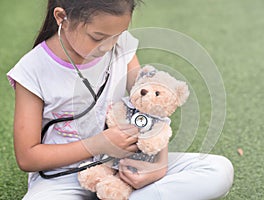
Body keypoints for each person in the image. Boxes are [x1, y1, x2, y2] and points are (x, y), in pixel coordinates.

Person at [7, 0, 234, 199]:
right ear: (62, 18)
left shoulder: (121, 46)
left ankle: (118, 195)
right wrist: (97, 145)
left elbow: (150, 109)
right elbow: (27, 157)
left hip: (123, 169)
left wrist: (158, 165)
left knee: (219, 171)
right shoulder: (33, 71)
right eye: (97, 37)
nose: (107, 47)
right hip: (61, 179)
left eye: (116, 36)